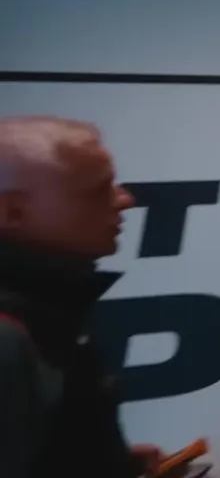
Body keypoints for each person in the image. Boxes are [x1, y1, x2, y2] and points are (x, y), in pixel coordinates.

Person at [0, 116, 165, 478]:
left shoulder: (47, 307)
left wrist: (100, 459)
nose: (125, 200)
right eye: (97, 190)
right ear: (13, 212)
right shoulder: (8, 335)